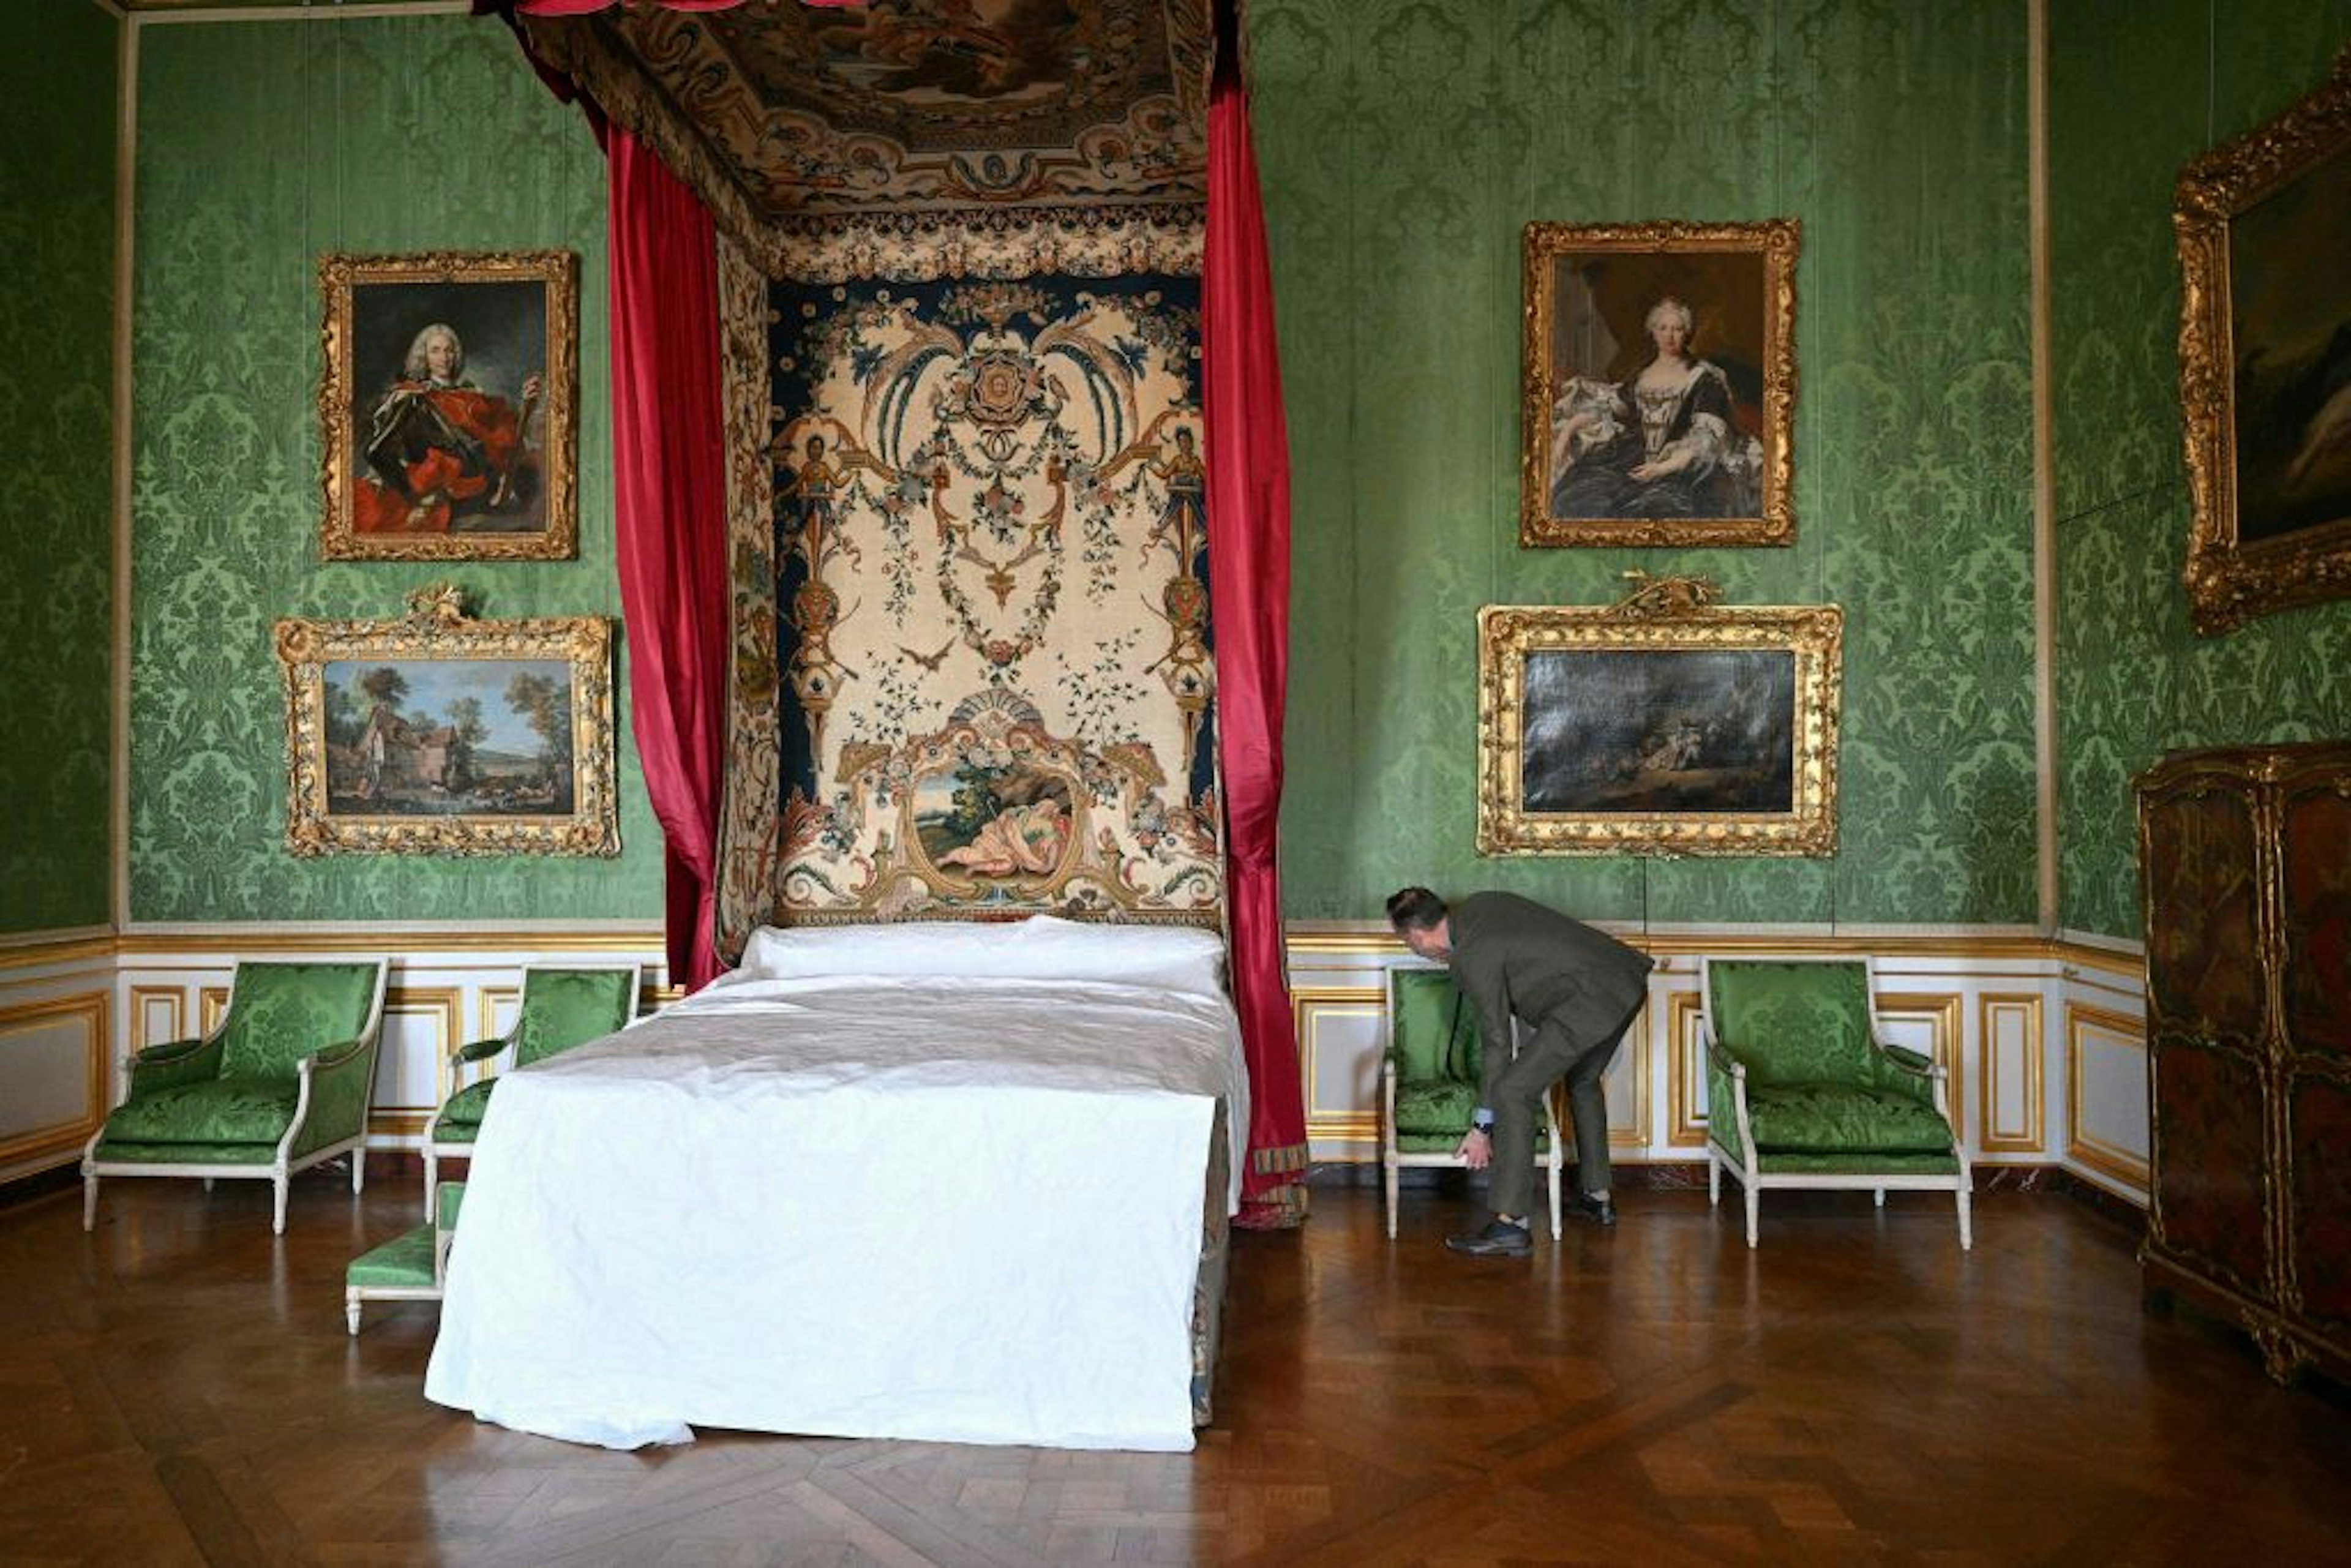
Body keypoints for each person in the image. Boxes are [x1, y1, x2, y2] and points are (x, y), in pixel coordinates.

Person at [1386, 887, 1654, 1258]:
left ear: (1416, 936)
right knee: (1583, 1080)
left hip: (1587, 1000)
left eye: (1408, 943)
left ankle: (1511, 1223)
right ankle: (1598, 1196)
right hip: (1625, 978)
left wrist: (1482, 1127)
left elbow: (1497, 1044)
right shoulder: (1481, 904)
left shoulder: (1471, 958)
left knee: (1513, 1092)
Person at [1547, 296, 1759, 520]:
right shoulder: (1642, 374)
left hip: (1679, 466)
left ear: (1687, 333)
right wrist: (1566, 434)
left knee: (1654, 506)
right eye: (1663, 328)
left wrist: (1662, 468)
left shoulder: (1704, 378)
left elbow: (1704, 439)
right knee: (1575, 494)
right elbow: (1607, 407)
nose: (1670, 336)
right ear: (1653, 332)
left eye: (1677, 329)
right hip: (1630, 457)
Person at [353, 323, 541, 534]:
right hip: (438, 495)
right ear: (424, 357)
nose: (444, 357)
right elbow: (376, 453)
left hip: (481, 493)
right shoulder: (414, 398)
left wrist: (527, 405)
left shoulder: (472, 397)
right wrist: (412, 496)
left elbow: (507, 445)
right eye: (435, 350)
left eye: (449, 350)